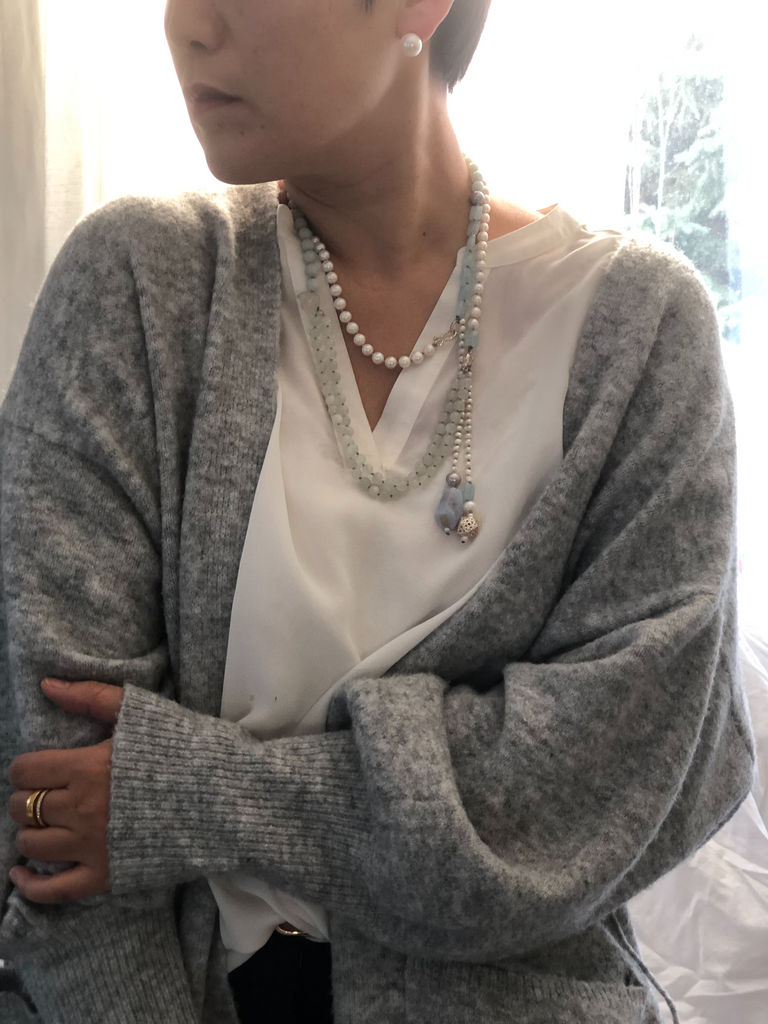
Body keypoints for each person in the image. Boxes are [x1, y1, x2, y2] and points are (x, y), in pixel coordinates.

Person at [0, 0, 757, 1022]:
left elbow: (585, 804)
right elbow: (48, 808)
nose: (186, 25)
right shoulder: (137, 286)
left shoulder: (643, 336)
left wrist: (186, 794)